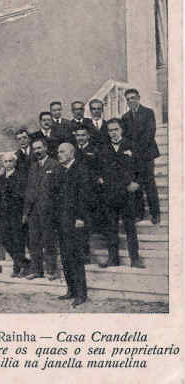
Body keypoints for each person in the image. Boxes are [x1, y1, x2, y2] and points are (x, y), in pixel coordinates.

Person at [98, 118, 145, 269]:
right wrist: (99, 178)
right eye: (110, 130)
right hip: (110, 194)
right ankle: (113, 258)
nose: (113, 133)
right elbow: (96, 168)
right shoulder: (103, 148)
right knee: (111, 228)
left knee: (130, 227)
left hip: (127, 195)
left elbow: (142, 169)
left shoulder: (132, 146)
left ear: (121, 130)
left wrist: (137, 183)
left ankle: (135, 258)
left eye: (115, 129)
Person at [121, 88, 161, 224]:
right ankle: (140, 213)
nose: (130, 101)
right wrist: (129, 151)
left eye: (133, 98)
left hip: (147, 155)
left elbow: (149, 134)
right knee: (137, 184)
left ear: (138, 97)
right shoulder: (125, 117)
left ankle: (155, 214)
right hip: (133, 157)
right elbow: (125, 137)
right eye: (128, 99)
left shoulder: (148, 113)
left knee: (150, 184)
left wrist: (136, 151)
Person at [23, 138, 61, 280]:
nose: (37, 151)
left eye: (39, 148)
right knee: (34, 241)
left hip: (48, 211)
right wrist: (26, 212)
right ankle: (36, 270)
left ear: (45, 148)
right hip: (33, 211)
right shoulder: (33, 167)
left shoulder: (54, 165)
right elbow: (29, 190)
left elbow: (58, 191)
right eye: (35, 149)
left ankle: (51, 270)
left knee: (48, 240)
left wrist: (55, 210)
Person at [56, 143, 89, 307]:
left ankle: (82, 294)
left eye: (62, 152)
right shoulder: (61, 171)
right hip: (62, 221)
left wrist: (81, 217)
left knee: (76, 257)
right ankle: (71, 290)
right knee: (65, 257)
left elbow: (85, 196)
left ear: (71, 153)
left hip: (76, 221)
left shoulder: (80, 169)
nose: (59, 154)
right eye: (58, 152)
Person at [0, 153, 28, 277]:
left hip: (15, 214)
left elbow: (21, 195)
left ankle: (18, 267)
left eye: (10, 161)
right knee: (5, 240)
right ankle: (24, 263)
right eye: (6, 162)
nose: (8, 164)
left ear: (14, 162)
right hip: (3, 215)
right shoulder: (1, 178)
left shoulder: (20, 176)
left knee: (17, 241)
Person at [73, 125, 101, 263]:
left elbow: (100, 168)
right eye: (78, 135)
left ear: (88, 136)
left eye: (83, 135)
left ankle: (95, 253)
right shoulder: (73, 151)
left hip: (93, 191)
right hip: (77, 190)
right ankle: (84, 254)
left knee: (90, 221)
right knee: (80, 222)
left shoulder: (95, 150)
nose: (80, 138)